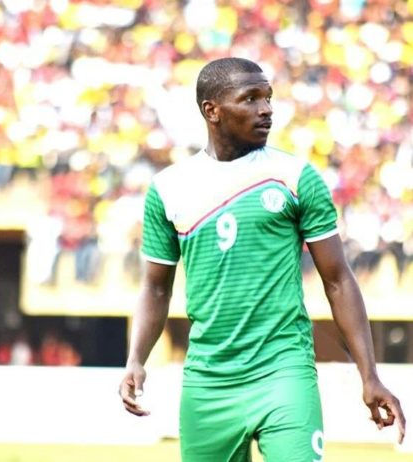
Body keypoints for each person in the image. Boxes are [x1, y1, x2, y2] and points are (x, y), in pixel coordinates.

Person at [118, 57, 406, 461]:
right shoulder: (168, 189)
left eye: (268, 97)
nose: (266, 109)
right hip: (208, 382)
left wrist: (369, 374)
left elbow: (339, 280)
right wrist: (136, 359)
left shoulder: (296, 177)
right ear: (212, 111)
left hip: (283, 372)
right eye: (250, 98)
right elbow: (155, 288)